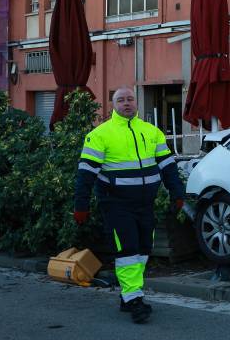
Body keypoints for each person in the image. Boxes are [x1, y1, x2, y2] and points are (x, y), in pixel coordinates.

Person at [73, 87, 185, 323]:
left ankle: (128, 295)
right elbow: (85, 175)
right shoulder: (100, 134)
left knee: (144, 249)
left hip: (146, 203)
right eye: (121, 100)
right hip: (115, 204)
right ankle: (135, 300)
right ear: (113, 105)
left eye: (130, 99)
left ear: (136, 103)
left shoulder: (151, 131)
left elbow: (168, 166)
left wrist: (177, 192)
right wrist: (80, 205)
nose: (126, 103)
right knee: (128, 250)